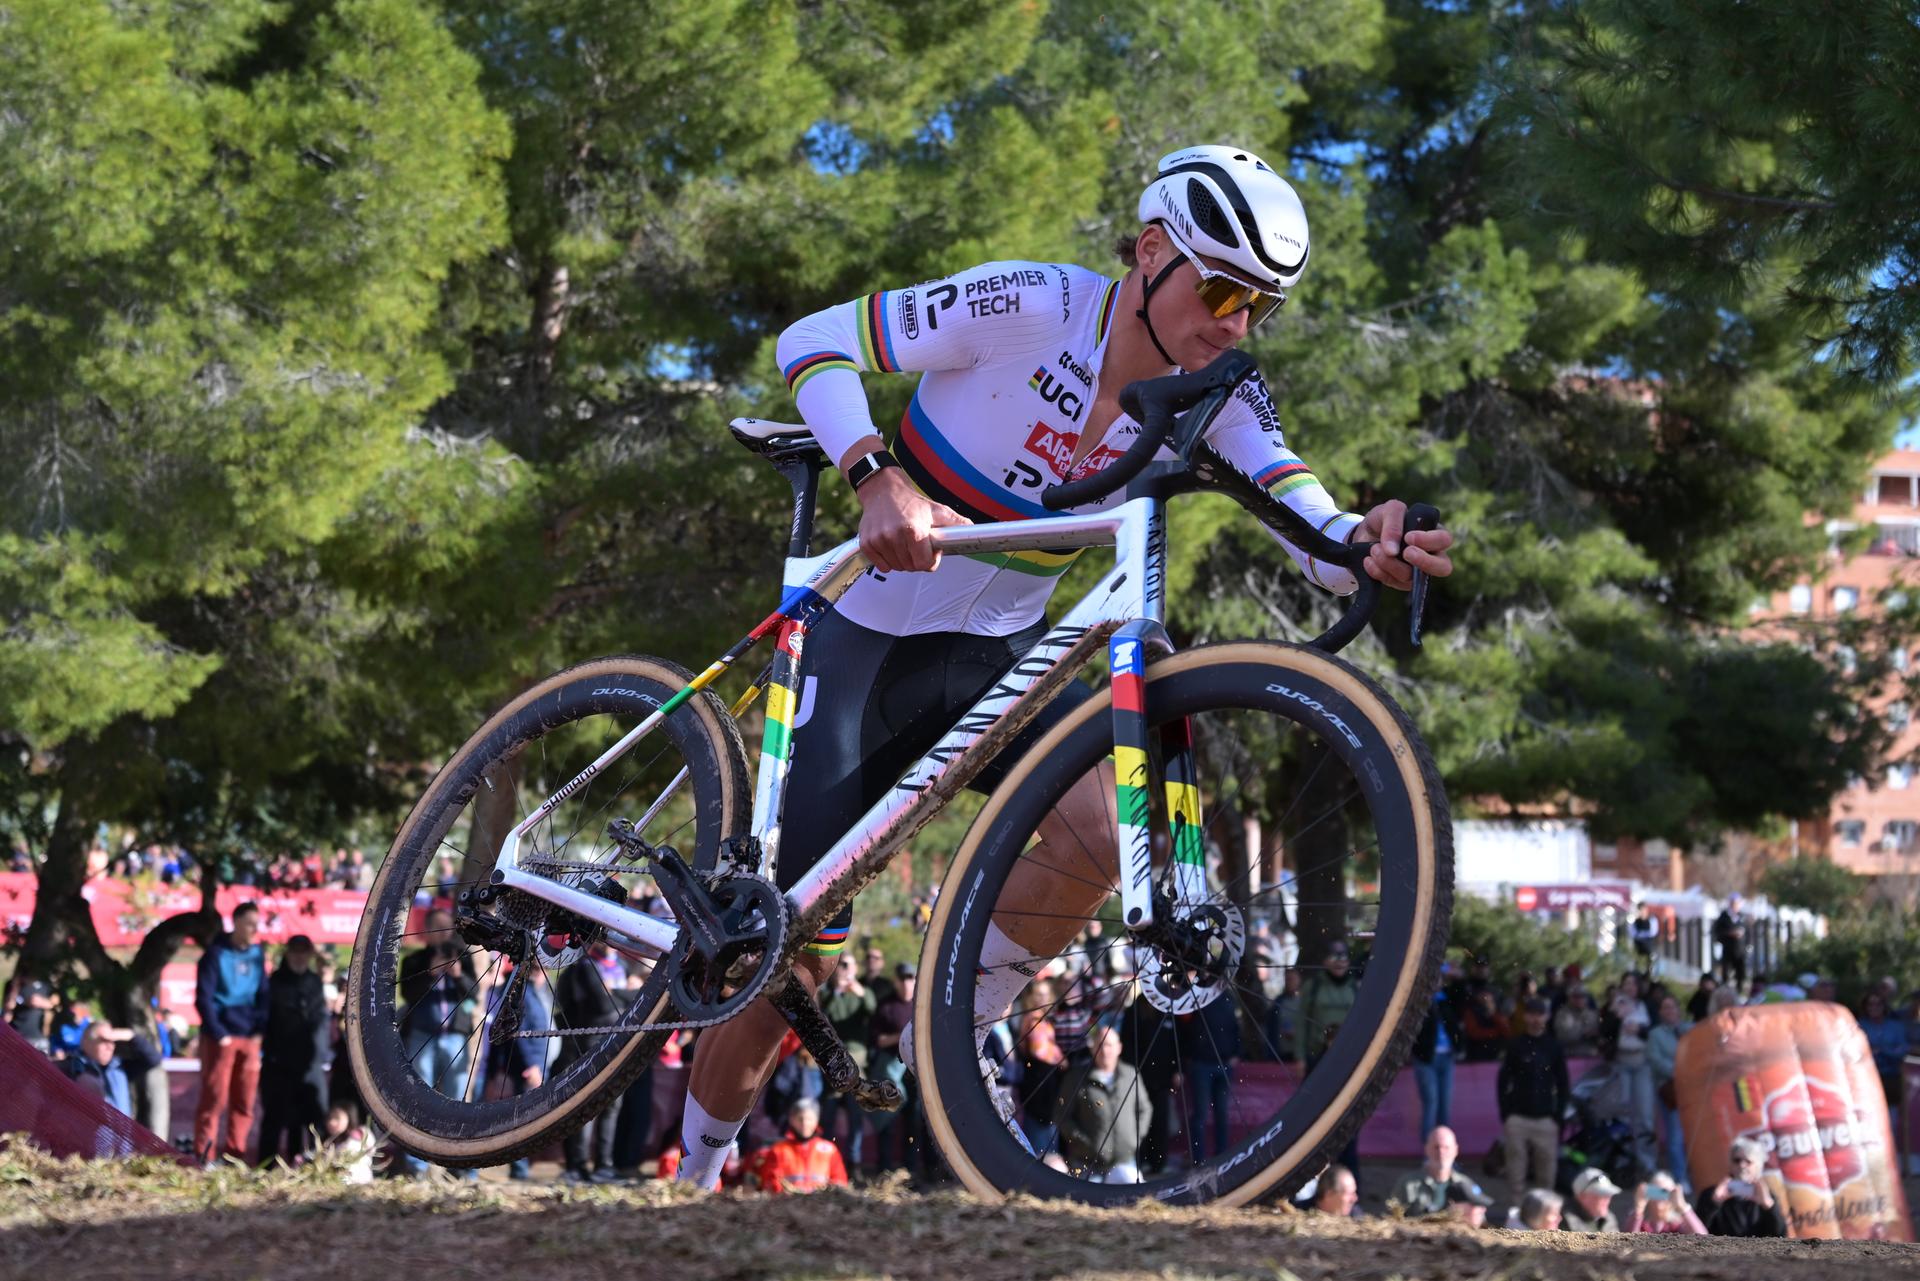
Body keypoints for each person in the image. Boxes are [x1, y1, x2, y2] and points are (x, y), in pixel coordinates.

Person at [668, 143, 1455, 1184]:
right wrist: (873, 477)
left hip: (994, 663)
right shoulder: (1032, 304)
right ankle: (692, 1174)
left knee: (1106, 809)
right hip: (863, 644)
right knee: (790, 962)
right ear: (1153, 252)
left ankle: (955, 1028)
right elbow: (814, 341)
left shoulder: (1216, 394)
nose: (1234, 323)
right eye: (1222, 289)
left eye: (1259, 308)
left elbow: (1310, 524)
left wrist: (1372, 544)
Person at [194, 901, 271, 1164]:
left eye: (257, 924)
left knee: (245, 1102)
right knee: (214, 1100)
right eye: (249, 923)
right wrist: (219, 1033)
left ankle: (234, 1157)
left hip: (249, 1037)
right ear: (235, 922)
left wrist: (259, 1032)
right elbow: (203, 998)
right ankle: (205, 1157)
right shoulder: (215, 954)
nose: (254, 929)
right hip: (221, 1037)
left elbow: (263, 995)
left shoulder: (258, 955)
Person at [257, 935, 331, 1167]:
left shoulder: (314, 983)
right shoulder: (274, 983)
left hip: (310, 1063)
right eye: (295, 952)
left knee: (314, 1120)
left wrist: (318, 1055)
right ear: (287, 954)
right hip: (279, 1063)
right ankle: (266, 1169)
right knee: (275, 1119)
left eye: (304, 952)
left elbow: (320, 1022)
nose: (299, 957)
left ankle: (314, 1168)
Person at [1054, 1022, 1150, 1183]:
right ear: (1092, 1048)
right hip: (1087, 1163)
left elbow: (1145, 1109)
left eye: (1109, 1045)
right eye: (1100, 1045)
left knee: (1134, 1199)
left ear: (1119, 1047)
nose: (1105, 1051)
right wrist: (1084, 1143)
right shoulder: (1076, 1078)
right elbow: (1062, 1116)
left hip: (1124, 1160)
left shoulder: (1130, 1074)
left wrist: (1134, 1138)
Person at [1497, 997, 1569, 1195]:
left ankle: (1543, 1219)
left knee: (1546, 1176)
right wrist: (1506, 1114)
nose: (1536, 1019)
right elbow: (1503, 1081)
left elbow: (1563, 1084)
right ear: (1525, 1016)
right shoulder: (1515, 1045)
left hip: (1546, 1119)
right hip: (1518, 1118)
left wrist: (1558, 1117)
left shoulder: (1554, 1046)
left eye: (1540, 1014)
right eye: (1532, 1014)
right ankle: (1516, 1218)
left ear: (1547, 1016)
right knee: (1515, 1173)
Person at [817, 950, 876, 1170]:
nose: (844, 969)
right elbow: (827, 1016)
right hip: (834, 1062)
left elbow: (871, 1009)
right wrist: (838, 990)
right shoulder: (829, 994)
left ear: (856, 969)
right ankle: (825, 1165)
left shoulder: (863, 992)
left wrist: (857, 992)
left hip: (857, 1062)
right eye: (841, 965)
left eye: (848, 965)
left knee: (856, 1118)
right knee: (828, 1117)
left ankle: (854, 1165)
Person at [1176, 991, 1241, 1163]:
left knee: (1221, 1113)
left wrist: (1236, 1051)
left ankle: (1222, 1156)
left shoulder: (1228, 997)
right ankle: (1198, 1159)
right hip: (1201, 1063)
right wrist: (1185, 1061)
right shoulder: (1194, 995)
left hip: (1224, 1062)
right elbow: (1183, 1028)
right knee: (1200, 1114)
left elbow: (1235, 1026)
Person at [60, 1021, 161, 1118]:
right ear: (86, 1042)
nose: (110, 1046)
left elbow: (153, 1059)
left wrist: (130, 1035)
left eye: (112, 1041)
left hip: (120, 1133)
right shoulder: (71, 1066)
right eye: (104, 1040)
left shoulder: (120, 1068)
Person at [752, 1097, 849, 1194]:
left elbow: (839, 1181)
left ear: (817, 1120)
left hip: (823, 1204)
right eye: (800, 1119)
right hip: (788, 1204)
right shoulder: (779, 1150)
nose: (805, 1124)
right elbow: (770, 1182)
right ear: (792, 1120)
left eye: (809, 1119)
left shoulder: (829, 1150)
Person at [1389, 1126, 1488, 1216]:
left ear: (1455, 1150)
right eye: (1436, 1147)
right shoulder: (1408, 1184)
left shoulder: (1466, 1184)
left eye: (1446, 1147)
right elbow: (1391, 1221)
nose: (1441, 1152)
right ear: (1426, 1149)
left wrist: (1472, 1217)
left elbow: (1481, 1223)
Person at [1646, 994, 1691, 1183]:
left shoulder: (1690, 1029)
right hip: (1670, 1090)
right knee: (1675, 1137)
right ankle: (1680, 1178)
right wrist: (1678, 1072)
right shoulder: (1655, 1034)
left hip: (1693, 1088)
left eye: (1672, 1007)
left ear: (1678, 1009)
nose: (1669, 1011)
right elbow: (1656, 1061)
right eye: (1665, 1007)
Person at [1703, 1138, 1787, 1237]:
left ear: (1758, 1167)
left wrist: (1768, 1205)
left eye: (1748, 1161)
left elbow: (1780, 1235)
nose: (1742, 1165)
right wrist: (1714, 1203)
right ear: (1730, 1164)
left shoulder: (1766, 1196)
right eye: (1737, 1160)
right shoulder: (1711, 1194)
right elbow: (1697, 1232)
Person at [1409, 983, 1460, 1143]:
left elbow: (1456, 1023)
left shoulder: (1447, 998)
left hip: (1447, 1056)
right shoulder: (1417, 998)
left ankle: (1444, 1149)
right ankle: (1428, 1153)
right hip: (1425, 1058)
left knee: (1444, 1106)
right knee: (1431, 1104)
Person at [1860, 990, 1906, 1107]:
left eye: (1878, 1004)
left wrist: (1882, 1050)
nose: (1874, 1007)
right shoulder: (1859, 1026)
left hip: (1890, 1077)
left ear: (1884, 1006)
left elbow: (1902, 1050)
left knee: (1891, 1113)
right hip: (1866, 1077)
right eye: (1870, 1004)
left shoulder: (1896, 1027)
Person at [1626, 1171, 1707, 1234]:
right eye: (1656, 1192)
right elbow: (1627, 1243)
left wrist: (1683, 1206)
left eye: (1666, 1193)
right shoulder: (1641, 1222)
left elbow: (1704, 1238)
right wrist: (1639, 1208)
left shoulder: (1677, 1224)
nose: (1661, 1198)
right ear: (1648, 1194)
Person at [6, 973, 57, 1055]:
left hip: (37, 1038)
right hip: (17, 1034)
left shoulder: (46, 986)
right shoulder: (15, 985)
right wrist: (16, 987)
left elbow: (55, 1003)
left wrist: (42, 1002)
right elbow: (9, 1006)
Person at [1564, 1167, 1624, 1232]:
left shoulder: (1608, 1219)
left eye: (1608, 1195)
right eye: (1601, 1194)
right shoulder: (1563, 1220)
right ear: (1582, 1196)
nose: (1607, 1199)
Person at [1552, 985, 1599, 1058]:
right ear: (1570, 998)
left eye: (1583, 996)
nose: (1580, 999)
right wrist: (1584, 1032)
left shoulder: (1592, 1014)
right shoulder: (1562, 1013)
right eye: (1576, 996)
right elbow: (1563, 1036)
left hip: (1589, 1055)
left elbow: (1597, 1034)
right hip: (1568, 1055)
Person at [1712, 895, 1748, 986]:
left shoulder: (1742, 916)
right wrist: (1730, 933)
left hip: (1740, 949)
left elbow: (1748, 931)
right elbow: (1717, 931)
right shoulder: (1724, 916)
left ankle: (1739, 991)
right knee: (1726, 972)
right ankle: (1725, 990)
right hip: (1728, 949)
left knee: (1740, 972)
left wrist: (1748, 945)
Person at [1630, 904, 1661, 969]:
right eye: (1640, 910)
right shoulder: (1636, 922)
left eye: (1643, 910)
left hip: (1650, 947)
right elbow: (1633, 933)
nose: (1642, 912)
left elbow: (1653, 932)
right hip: (1639, 947)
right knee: (1638, 965)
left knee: (1651, 964)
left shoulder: (1652, 919)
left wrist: (1640, 934)